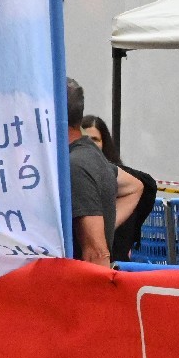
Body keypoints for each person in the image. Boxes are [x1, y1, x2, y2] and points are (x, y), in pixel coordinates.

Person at [65, 79, 143, 267]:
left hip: (76, 281)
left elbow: (97, 253)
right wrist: (105, 221)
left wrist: (103, 224)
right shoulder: (87, 155)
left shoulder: (76, 166)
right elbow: (134, 186)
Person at [81, 115, 157, 262]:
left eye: (95, 139)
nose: (90, 144)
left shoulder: (124, 179)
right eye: (86, 139)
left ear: (104, 143)